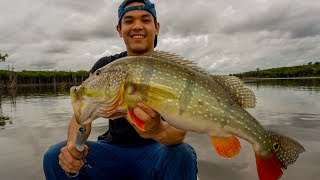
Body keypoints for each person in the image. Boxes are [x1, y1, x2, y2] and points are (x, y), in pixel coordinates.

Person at [43, 0, 198, 179]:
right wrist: (72, 147)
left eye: (145, 20)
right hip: (112, 152)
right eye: (129, 20)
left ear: (156, 27)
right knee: (55, 157)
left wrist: (156, 130)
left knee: (182, 154)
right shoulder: (106, 67)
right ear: (119, 29)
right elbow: (81, 117)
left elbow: (178, 134)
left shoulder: (172, 71)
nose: (137, 26)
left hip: (156, 152)